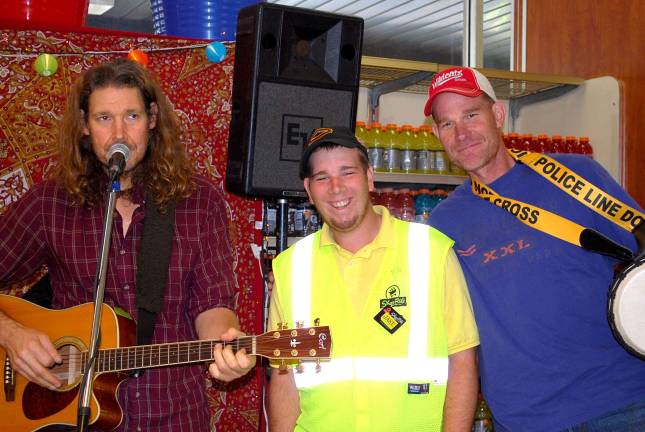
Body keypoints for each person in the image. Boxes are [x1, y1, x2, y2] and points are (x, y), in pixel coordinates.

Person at [0, 58, 255, 431]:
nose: (119, 133)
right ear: (85, 126)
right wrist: (12, 335)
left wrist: (225, 350)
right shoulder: (50, 203)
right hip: (65, 417)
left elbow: (213, 305)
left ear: (152, 118)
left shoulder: (198, 201)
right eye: (104, 118)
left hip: (172, 416)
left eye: (131, 116)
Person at [426, 66, 645, 431]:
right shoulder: (444, 223)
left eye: (471, 115)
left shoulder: (577, 176)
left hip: (622, 402)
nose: (461, 133)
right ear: (436, 134)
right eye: (447, 124)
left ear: (497, 114)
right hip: (527, 417)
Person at [267, 126, 480, 431]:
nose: (336, 187)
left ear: (369, 177)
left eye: (347, 172)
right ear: (309, 190)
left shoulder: (431, 251)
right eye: (322, 178)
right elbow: (284, 379)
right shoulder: (290, 267)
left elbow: (462, 360)